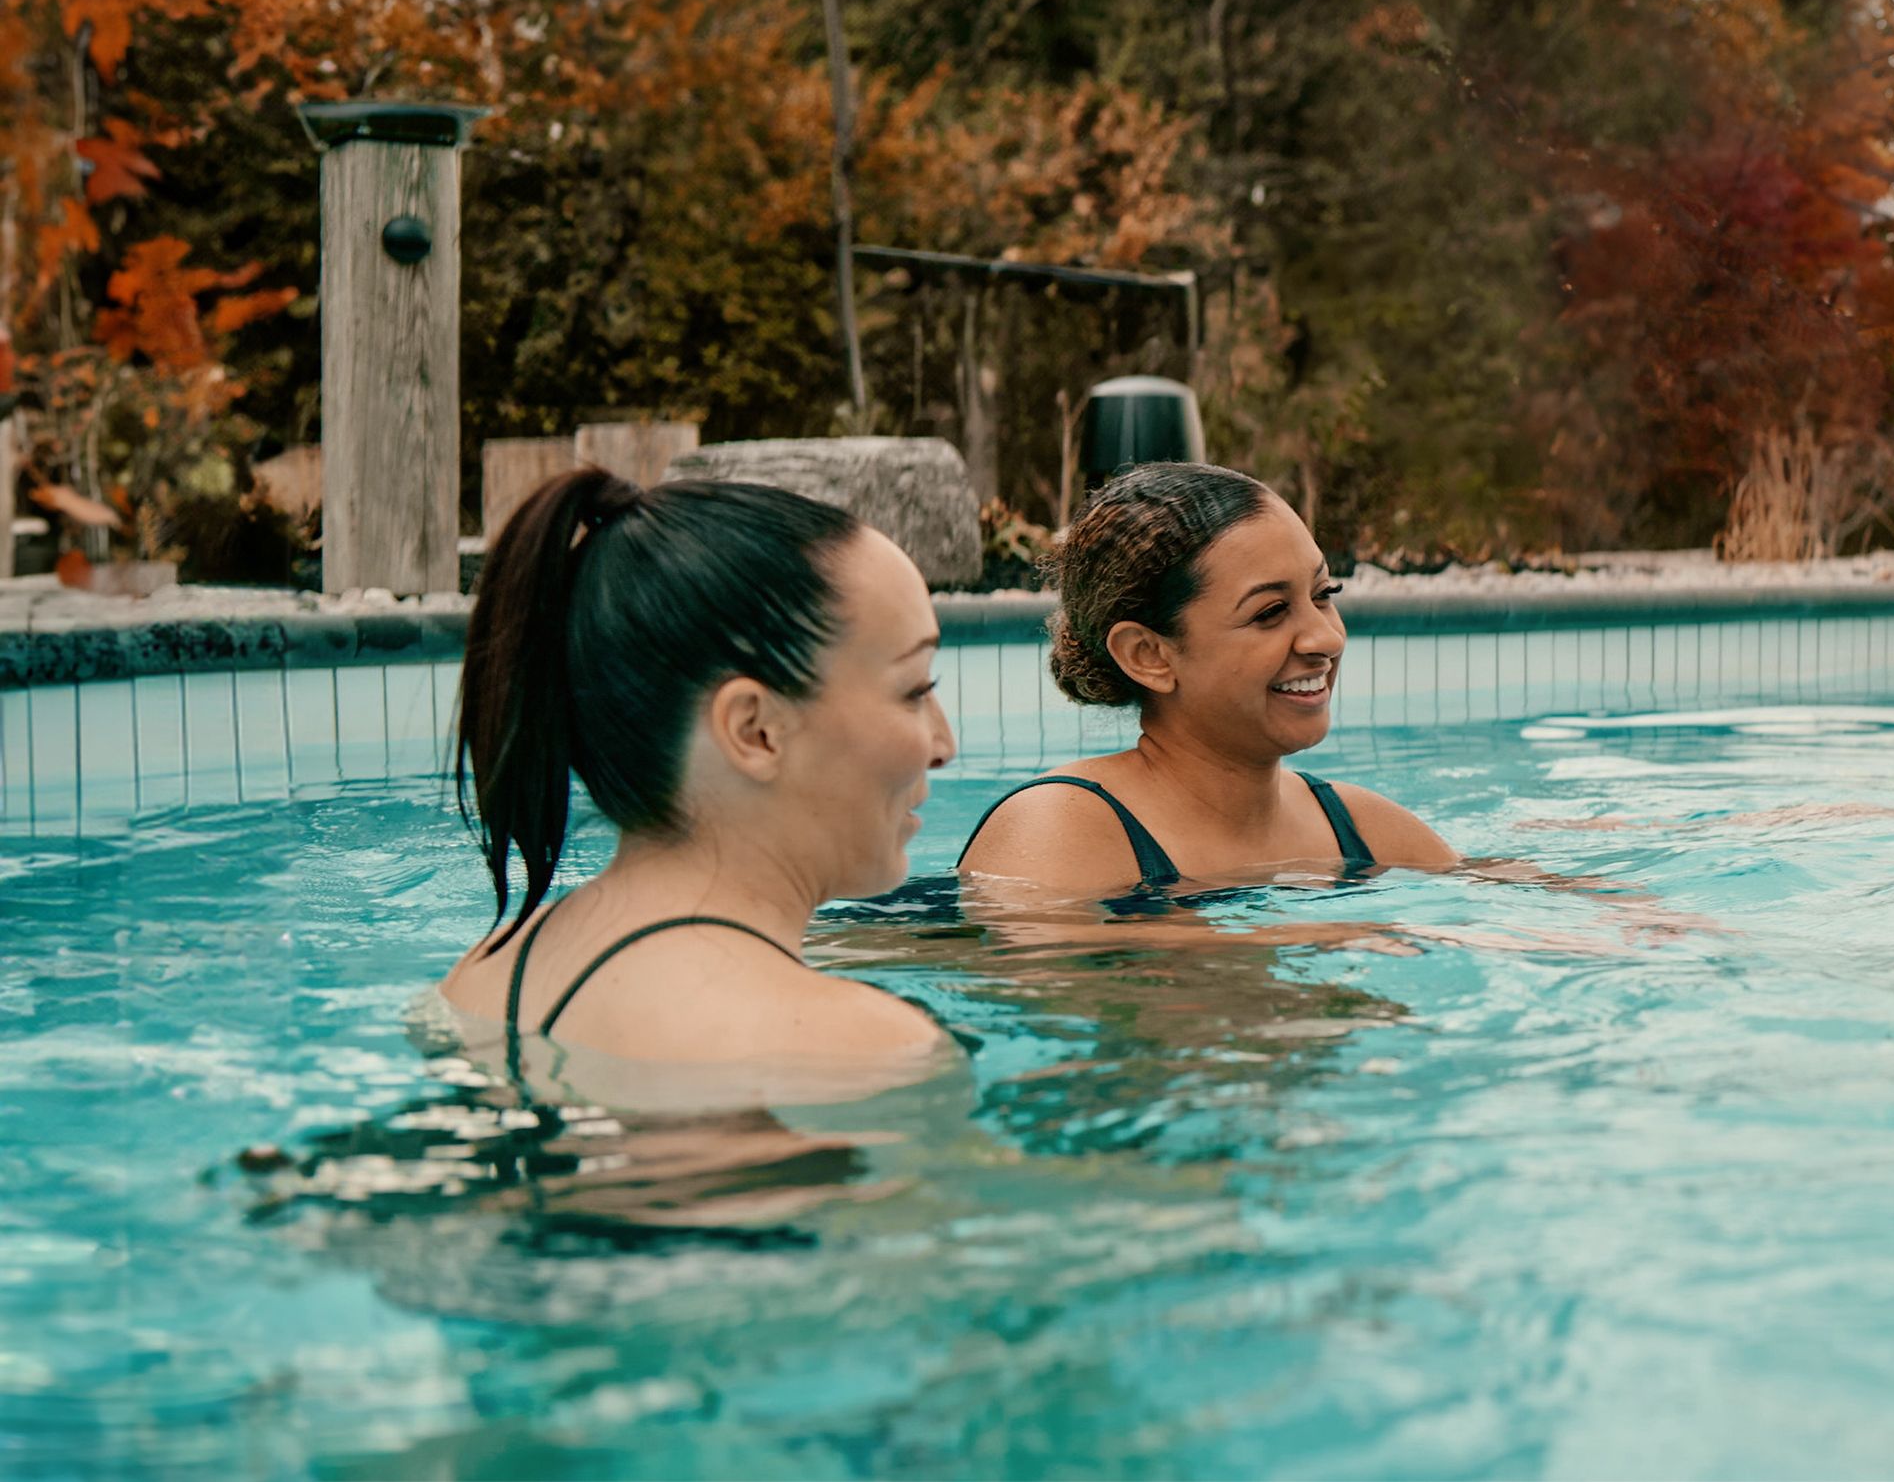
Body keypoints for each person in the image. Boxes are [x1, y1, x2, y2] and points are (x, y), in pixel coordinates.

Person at [438, 468, 960, 1100]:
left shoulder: (485, 977)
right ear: (755, 729)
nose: (942, 746)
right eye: (915, 689)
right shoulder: (861, 1049)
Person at [959, 464, 1460, 897]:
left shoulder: (1360, 830)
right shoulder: (1061, 828)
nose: (1325, 638)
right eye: (1270, 612)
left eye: (1324, 593)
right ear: (1149, 655)